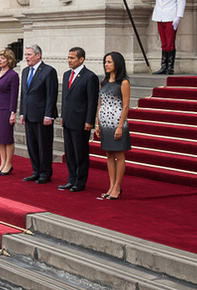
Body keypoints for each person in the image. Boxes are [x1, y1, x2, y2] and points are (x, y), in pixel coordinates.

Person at [120, 0, 186, 75]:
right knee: (164, 43)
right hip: (160, 17)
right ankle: (163, 66)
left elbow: (181, 2)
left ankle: (170, 67)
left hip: (171, 17)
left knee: (170, 42)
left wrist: (178, 17)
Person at [59, 47, 98, 192]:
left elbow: (92, 101)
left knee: (80, 152)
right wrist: (63, 115)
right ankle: (71, 178)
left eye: (72, 58)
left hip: (81, 121)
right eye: (68, 58)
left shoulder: (89, 76)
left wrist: (89, 121)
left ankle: (80, 181)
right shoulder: (66, 75)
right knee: (69, 152)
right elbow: (65, 98)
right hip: (68, 119)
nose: (69, 61)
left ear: (81, 59)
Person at [19, 45, 58, 183]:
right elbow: (24, 94)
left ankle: (45, 172)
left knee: (44, 145)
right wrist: (22, 111)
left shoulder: (48, 71)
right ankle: (36, 170)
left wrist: (49, 115)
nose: (26, 57)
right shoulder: (25, 71)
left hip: (42, 116)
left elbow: (51, 95)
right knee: (32, 145)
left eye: (29, 54)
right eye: (26, 54)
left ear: (38, 55)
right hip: (29, 114)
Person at [95, 51, 131, 200]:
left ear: (117, 63)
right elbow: (100, 104)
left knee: (119, 155)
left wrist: (120, 126)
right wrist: (97, 124)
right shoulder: (104, 82)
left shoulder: (123, 82)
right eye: (105, 62)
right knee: (109, 155)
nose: (106, 65)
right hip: (104, 123)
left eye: (109, 62)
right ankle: (111, 186)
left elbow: (126, 106)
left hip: (117, 123)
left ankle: (117, 187)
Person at [0, 50, 19, 175]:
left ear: (9, 60)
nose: (0, 60)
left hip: (6, 109)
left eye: (3, 58)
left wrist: (13, 112)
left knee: (7, 137)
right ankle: (2, 163)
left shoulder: (13, 75)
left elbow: (14, 95)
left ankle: (8, 164)